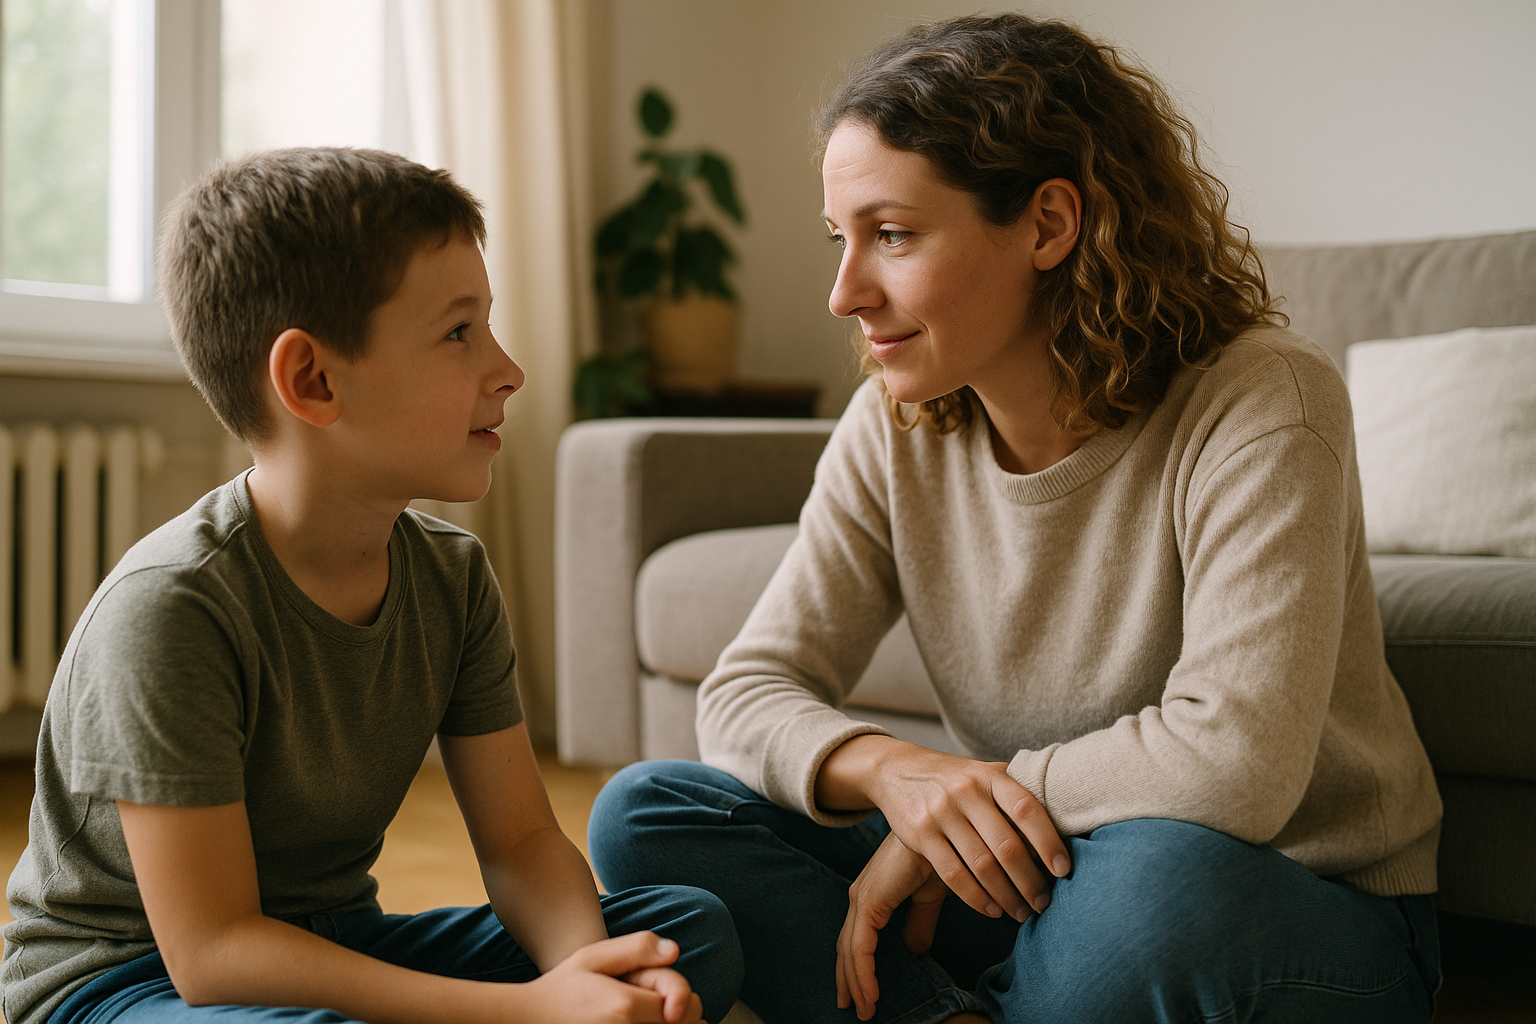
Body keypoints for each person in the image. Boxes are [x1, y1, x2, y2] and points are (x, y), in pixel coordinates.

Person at [587, 14, 1442, 1024]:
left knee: (1156, 884)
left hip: (1280, 892)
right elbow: (745, 691)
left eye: (892, 235)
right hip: (1027, 874)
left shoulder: (1264, 399)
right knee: (647, 811)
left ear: (1048, 224)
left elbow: (1236, 763)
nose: (843, 293)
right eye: (840, 239)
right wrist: (903, 777)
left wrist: (975, 796)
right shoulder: (896, 422)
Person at [2, 148, 742, 1024]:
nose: (508, 369)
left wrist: (589, 973)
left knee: (685, 929)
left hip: (333, 942)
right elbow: (212, 956)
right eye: (460, 332)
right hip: (126, 981)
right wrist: (530, 1012)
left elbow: (519, 842)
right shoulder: (173, 609)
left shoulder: (452, 576)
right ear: (312, 381)